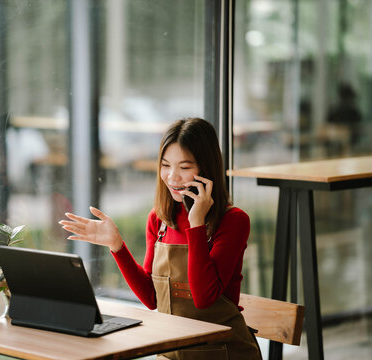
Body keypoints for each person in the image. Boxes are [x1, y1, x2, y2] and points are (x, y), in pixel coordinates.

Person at [60, 118, 262, 360]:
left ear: (206, 169)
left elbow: (204, 298)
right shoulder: (159, 220)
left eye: (185, 167)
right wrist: (117, 246)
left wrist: (196, 223)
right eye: (166, 165)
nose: (172, 177)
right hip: (169, 353)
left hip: (225, 353)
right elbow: (151, 299)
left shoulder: (233, 221)